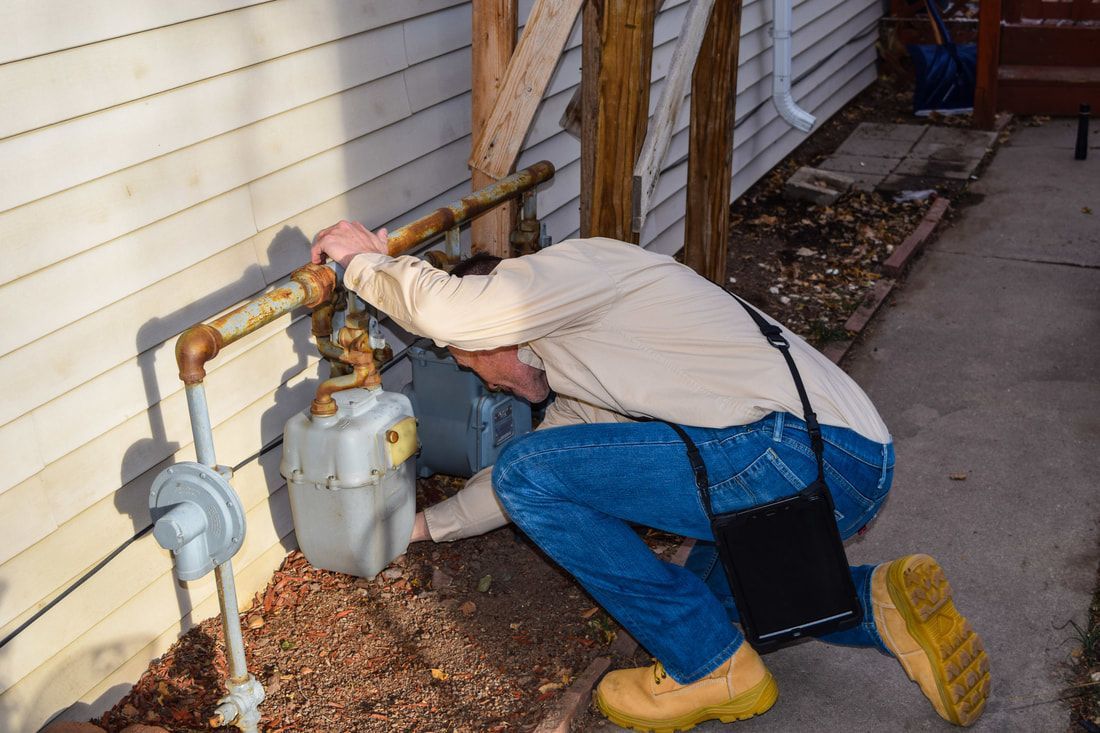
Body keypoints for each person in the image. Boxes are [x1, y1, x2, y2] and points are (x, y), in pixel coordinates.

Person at [310, 220, 990, 729]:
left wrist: (366, 261)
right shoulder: (582, 371)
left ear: (491, 323)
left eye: (467, 359)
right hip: (844, 461)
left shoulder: (565, 274)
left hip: (794, 452)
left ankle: (710, 667)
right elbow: (520, 485)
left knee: (538, 481)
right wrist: (420, 527)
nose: (477, 375)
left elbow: (446, 312)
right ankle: (876, 604)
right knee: (716, 599)